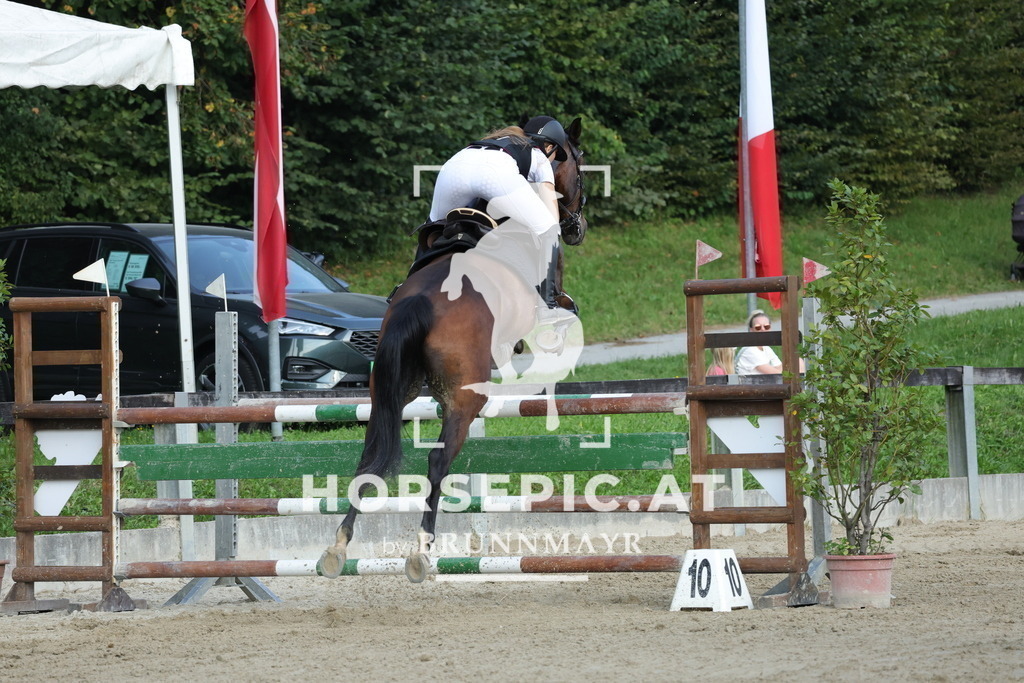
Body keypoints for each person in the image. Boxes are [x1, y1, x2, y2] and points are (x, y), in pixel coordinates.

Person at [429, 116, 570, 308]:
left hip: (453, 169)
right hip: (493, 175)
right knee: (550, 229)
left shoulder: (495, 141)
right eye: (555, 155)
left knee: (433, 225)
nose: (553, 160)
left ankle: (409, 280)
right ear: (548, 146)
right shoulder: (538, 155)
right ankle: (548, 304)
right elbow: (550, 207)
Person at [735, 309, 783, 375]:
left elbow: (779, 366)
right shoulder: (750, 350)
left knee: (798, 361)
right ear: (751, 330)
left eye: (766, 327)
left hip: (764, 383)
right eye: (758, 327)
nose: (763, 329)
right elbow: (776, 374)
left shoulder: (766, 348)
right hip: (751, 385)